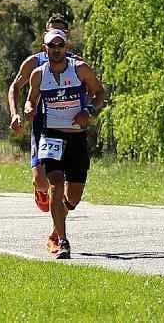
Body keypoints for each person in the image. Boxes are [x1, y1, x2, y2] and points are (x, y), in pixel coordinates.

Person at [24, 28, 106, 260]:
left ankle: (56, 222)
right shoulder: (39, 74)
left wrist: (87, 110)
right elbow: (31, 99)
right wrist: (29, 108)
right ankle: (62, 241)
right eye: (52, 46)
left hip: (76, 136)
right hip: (51, 135)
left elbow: (99, 93)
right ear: (45, 49)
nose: (56, 50)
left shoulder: (80, 69)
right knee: (56, 184)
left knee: (74, 197)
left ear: (66, 48)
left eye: (60, 46)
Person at [8, 14, 74, 213]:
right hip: (41, 126)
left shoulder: (75, 63)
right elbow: (15, 87)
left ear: (66, 38)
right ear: (45, 36)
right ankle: (41, 190)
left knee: (63, 181)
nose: (55, 38)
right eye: (51, 32)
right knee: (41, 181)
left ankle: (58, 227)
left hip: (66, 125)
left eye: (60, 33)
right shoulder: (33, 62)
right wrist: (15, 113)